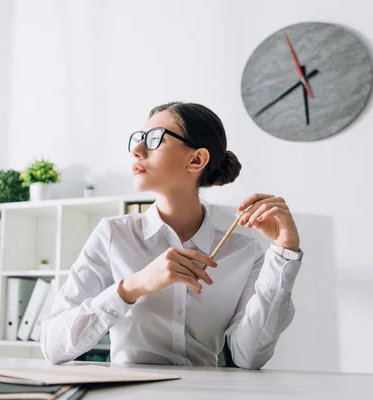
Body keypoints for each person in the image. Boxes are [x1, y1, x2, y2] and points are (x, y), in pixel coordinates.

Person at [40, 102, 303, 369]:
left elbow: (249, 357)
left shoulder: (243, 252)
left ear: (197, 159)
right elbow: (53, 346)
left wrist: (285, 251)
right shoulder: (113, 235)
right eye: (139, 138)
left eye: (154, 139)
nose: (137, 150)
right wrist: (133, 287)